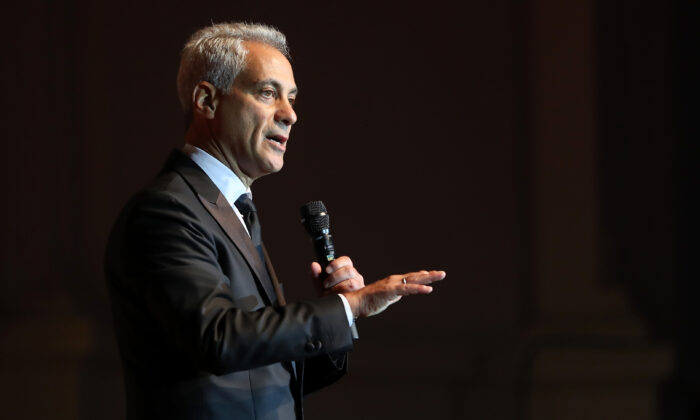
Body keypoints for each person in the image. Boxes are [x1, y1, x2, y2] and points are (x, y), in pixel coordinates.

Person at [105, 22, 445, 420]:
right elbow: (219, 340)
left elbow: (264, 376)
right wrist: (347, 306)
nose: (290, 115)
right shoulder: (166, 211)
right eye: (268, 93)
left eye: (292, 98)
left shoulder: (230, 209)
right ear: (207, 101)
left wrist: (335, 317)